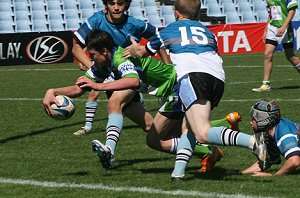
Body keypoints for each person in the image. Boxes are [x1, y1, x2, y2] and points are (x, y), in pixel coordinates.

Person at [75, 29, 264, 178]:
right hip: (181, 85)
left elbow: (133, 81)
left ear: (104, 51)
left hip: (177, 87)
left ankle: (245, 143)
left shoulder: (119, 58)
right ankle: (214, 141)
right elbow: (79, 87)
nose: (89, 59)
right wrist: (54, 92)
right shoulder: (106, 63)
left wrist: (99, 86)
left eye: (92, 55)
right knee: (182, 131)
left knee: (170, 136)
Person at [123, 0, 268, 181]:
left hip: (192, 77)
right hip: (217, 78)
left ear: (176, 13)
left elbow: (144, 52)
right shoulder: (208, 32)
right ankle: (178, 173)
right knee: (188, 128)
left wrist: (135, 49)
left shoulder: (169, 30)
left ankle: (253, 143)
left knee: (202, 132)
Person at [72, 0, 170, 135]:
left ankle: (108, 148)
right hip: (111, 71)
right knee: (148, 126)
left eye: (120, 3)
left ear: (127, 4)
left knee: (113, 101)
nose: (116, 7)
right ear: (106, 4)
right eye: (112, 3)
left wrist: (168, 65)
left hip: (130, 72)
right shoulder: (96, 20)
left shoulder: (135, 24)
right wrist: (92, 65)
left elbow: (158, 38)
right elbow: (76, 47)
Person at [242, 99, 300, 176]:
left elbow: (294, 161)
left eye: (253, 119)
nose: (251, 122)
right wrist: (241, 173)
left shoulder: (283, 132)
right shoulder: (271, 134)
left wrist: (273, 176)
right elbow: (265, 162)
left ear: (263, 119)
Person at [252, 0, 300, 92]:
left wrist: (284, 26)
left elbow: (292, 10)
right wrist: (266, 30)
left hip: (285, 29)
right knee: (267, 54)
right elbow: (271, 14)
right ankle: (265, 84)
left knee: (290, 56)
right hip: (272, 28)